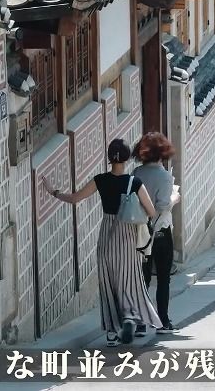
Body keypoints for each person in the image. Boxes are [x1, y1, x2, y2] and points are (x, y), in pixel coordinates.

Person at [40, 139, 161, 345]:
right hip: (128, 236)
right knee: (129, 279)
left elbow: (75, 198)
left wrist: (53, 191)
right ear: (127, 158)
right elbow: (151, 211)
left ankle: (112, 332)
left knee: (107, 281)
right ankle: (130, 315)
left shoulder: (100, 180)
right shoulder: (135, 183)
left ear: (108, 158)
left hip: (107, 234)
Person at [132, 132, 182, 334]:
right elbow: (162, 205)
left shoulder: (136, 173)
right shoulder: (164, 176)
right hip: (161, 232)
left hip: (139, 232)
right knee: (163, 278)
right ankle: (163, 321)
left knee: (142, 279)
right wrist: (175, 197)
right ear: (163, 152)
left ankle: (141, 322)